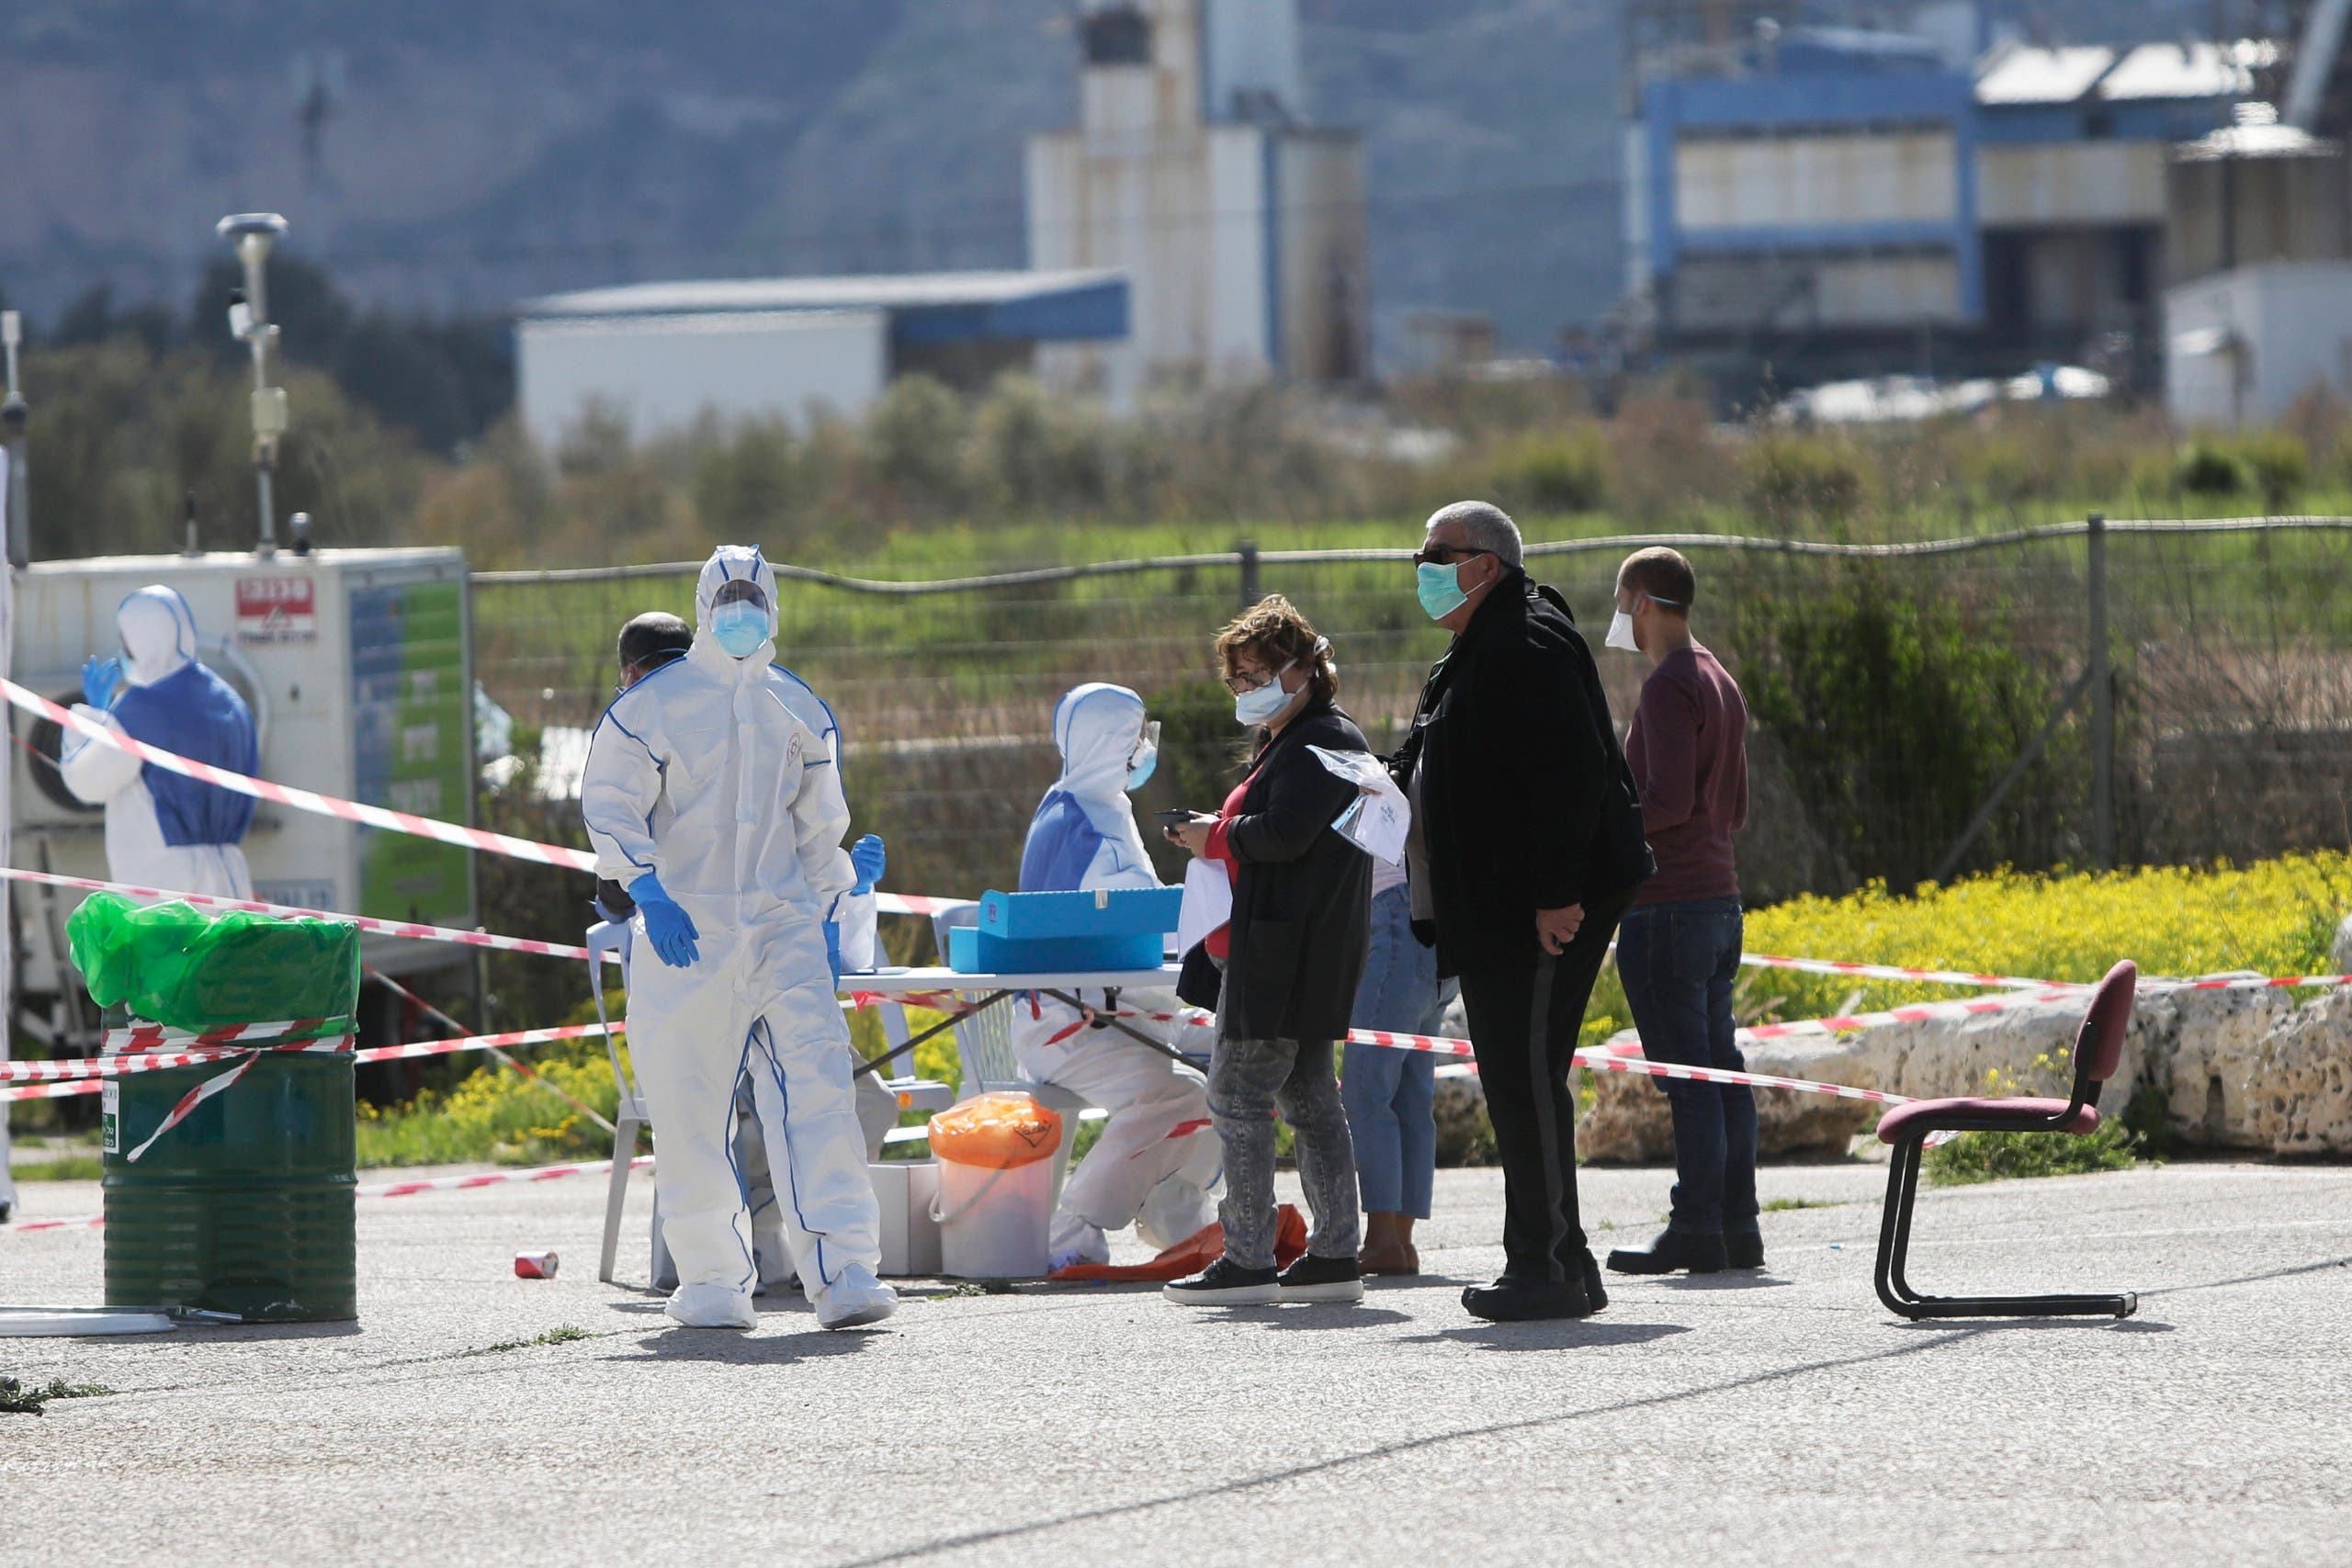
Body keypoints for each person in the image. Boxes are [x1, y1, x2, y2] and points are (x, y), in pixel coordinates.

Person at [580, 545, 895, 1331]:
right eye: (730, 597)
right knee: (691, 1101)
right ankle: (714, 1279)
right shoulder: (656, 703)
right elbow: (609, 799)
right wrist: (646, 885)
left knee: (820, 1094)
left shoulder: (797, 707)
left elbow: (820, 823)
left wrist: (829, 908)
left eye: (755, 596)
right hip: (690, 934)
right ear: (703, 605)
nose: (743, 611)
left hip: (785, 927)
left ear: (775, 604)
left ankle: (846, 1270)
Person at [1393, 502, 1655, 1323]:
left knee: (1523, 1074)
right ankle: (1565, 1259)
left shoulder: (1527, 639)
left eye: (1439, 553)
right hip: (1503, 902)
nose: (1423, 567)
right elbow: (1442, 750)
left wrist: (1556, 894)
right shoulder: (1479, 645)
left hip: (1537, 904)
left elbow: (1571, 775)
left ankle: (1539, 1267)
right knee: (1526, 1074)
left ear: (1487, 564)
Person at [1161, 596, 1371, 1306]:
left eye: (1259, 674)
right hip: (1284, 950)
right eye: (1239, 679)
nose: (1248, 689)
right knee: (1308, 1098)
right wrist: (1213, 829)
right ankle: (1336, 1251)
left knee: (1235, 1093)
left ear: (1307, 667)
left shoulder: (1323, 740)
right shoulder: (1293, 738)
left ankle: (1249, 1257)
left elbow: (1285, 833)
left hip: (1286, 956)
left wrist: (1213, 836)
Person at [1015, 682, 1223, 1271]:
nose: (1143, 748)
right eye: (1136, 735)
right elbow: (1134, 918)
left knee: (1229, 1085)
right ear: (1111, 741)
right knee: (1182, 1094)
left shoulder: (1095, 808)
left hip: (1116, 1014)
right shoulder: (1080, 825)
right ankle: (1075, 1230)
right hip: (1072, 1023)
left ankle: (1177, 1217)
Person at [1601, 547, 1761, 1277]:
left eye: (1621, 601)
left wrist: (1603, 828)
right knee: (1721, 1068)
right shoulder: (1719, 677)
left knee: (1689, 1075)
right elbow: (1731, 803)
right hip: (1719, 898)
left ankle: (1696, 1223)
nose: (1619, 619)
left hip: (1667, 904)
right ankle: (1736, 1222)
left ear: (1644, 602)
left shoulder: (1668, 687)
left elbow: (1665, 800)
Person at [62, 585, 259, 897]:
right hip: (230, 883)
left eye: (126, 642)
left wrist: (90, 718)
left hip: (164, 888)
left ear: (141, 639)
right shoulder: (232, 704)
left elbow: (85, 781)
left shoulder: (143, 708)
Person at [1342, 842, 1456, 1277]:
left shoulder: (1351, 771)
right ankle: (1399, 1240)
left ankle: (1383, 1238)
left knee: (1367, 1089)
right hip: (1433, 914)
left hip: (1392, 919)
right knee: (1411, 1095)